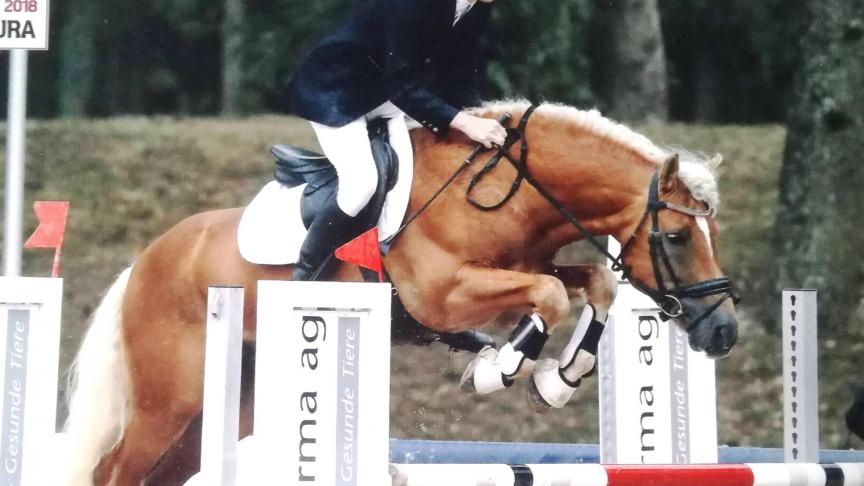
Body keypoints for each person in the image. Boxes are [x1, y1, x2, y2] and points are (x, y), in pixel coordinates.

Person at [285, 0, 507, 281]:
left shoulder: (478, 5)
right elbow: (401, 84)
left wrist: (484, 116)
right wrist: (465, 122)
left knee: (418, 184)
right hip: (336, 92)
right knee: (362, 186)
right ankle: (306, 274)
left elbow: (458, 73)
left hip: (387, 98)